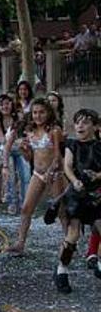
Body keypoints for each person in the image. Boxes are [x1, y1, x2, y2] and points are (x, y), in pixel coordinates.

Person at [4, 98, 64, 255]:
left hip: (54, 173)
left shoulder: (54, 131)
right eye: (35, 112)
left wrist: (51, 171)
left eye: (42, 112)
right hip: (38, 173)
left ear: (49, 113)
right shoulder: (30, 132)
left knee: (60, 209)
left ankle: (68, 242)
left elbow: (58, 156)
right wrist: (24, 150)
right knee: (26, 208)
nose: (38, 116)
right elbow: (29, 158)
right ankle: (20, 243)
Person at [54, 109, 101, 292]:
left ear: (95, 126)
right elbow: (67, 166)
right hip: (77, 194)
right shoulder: (71, 144)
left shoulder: (99, 146)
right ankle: (61, 270)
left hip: (97, 195)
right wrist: (75, 181)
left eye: (86, 122)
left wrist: (97, 176)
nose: (80, 125)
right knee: (73, 234)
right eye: (78, 122)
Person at [0, 95, 25, 210]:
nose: (5, 106)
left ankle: (16, 196)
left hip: (16, 147)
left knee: (17, 168)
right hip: (1, 147)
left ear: (12, 104)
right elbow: (1, 139)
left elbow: (16, 135)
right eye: (2, 104)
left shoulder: (17, 117)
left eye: (7, 103)